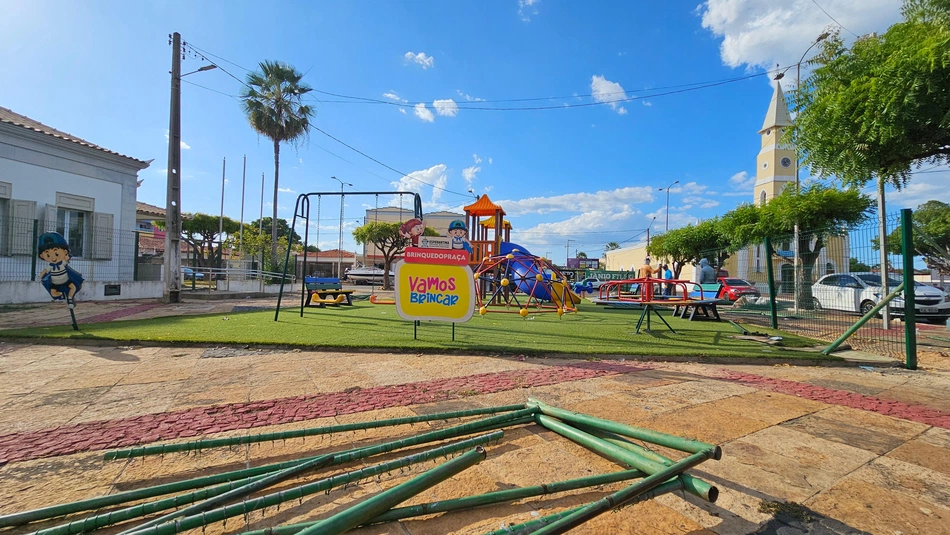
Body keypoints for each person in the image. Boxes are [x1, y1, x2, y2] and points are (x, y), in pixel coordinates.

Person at [37, 232, 84, 307]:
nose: (53, 258)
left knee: (73, 287)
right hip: (55, 283)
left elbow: (67, 259)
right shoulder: (50, 266)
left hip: (66, 280)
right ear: (42, 256)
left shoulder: (62, 263)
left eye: (56, 254)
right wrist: (40, 277)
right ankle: (62, 295)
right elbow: (45, 271)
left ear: (65, 251)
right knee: (53, 292)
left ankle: (70, 298)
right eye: (48, 255)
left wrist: (68, 257)